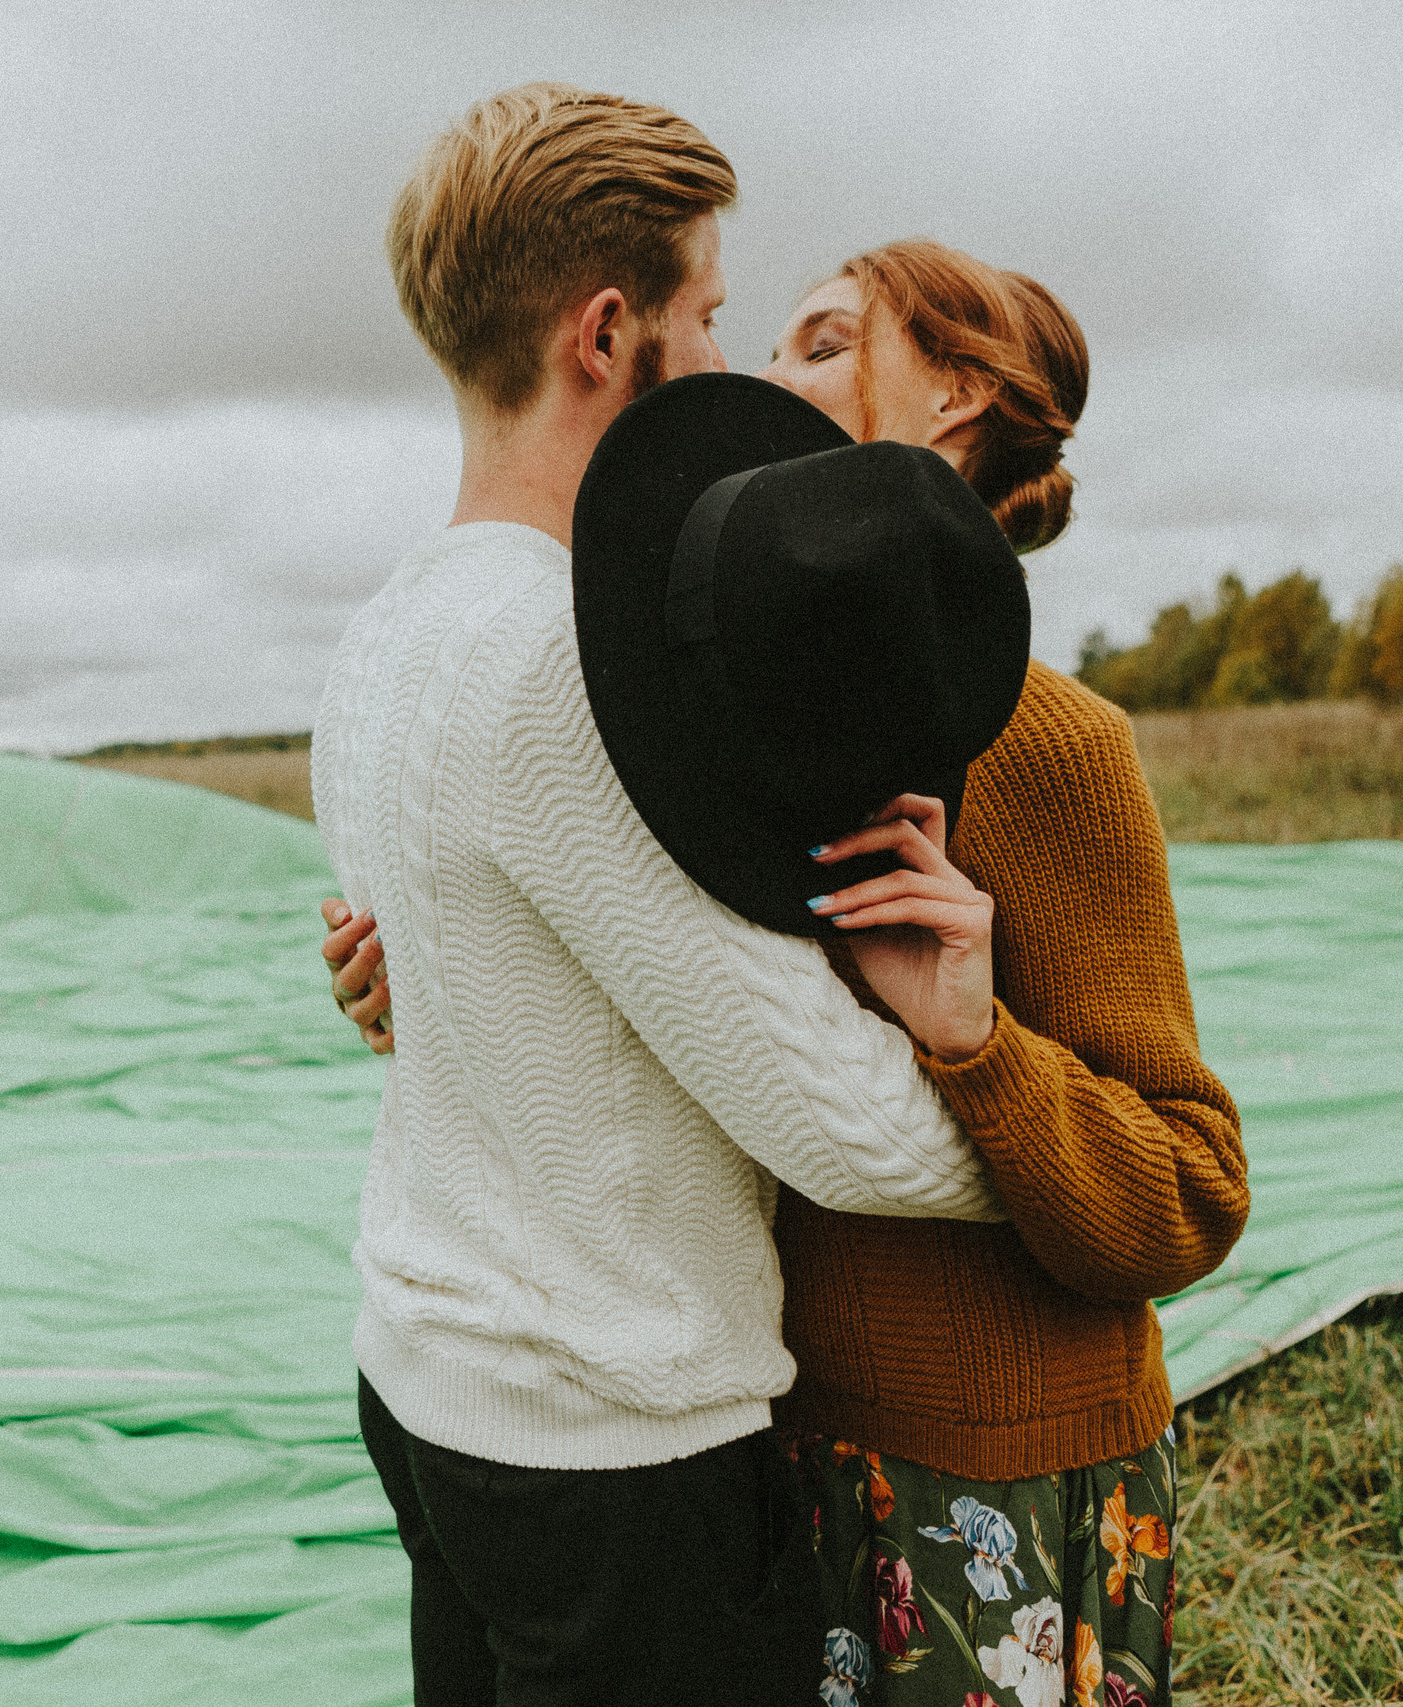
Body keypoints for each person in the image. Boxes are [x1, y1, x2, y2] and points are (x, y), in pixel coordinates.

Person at [324, 238, 1251, 1705]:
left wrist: (979, 1043)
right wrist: (445, 975)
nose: (758, 375)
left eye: (820, 344)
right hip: (773, 1444)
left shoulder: (1058, 752)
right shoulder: (716, 717)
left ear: (952, 400)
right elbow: (684, 1023)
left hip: (985, 1482)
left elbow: (1190, 1191)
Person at [312, 85, 1018, 1704]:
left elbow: (450, 974)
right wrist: (1040, 1147)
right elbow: (836, 1125)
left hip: (426, 1390)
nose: (734, 363)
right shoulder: (573, 675)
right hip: (608, 1452)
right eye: (708, 315)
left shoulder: (385, 631)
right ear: (608, 332)